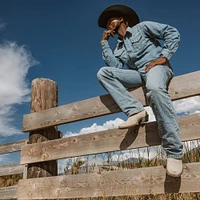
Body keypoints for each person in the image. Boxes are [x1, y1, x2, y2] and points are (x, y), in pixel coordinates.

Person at [97, 4, 183, 177]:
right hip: (138, 74)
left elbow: (172, 32)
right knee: (103, 73)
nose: (107, 24)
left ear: (121, 19)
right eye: (106, 23)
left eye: (110, 20)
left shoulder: (142, 28)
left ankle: (174, 152)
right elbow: (116, 67)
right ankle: (136, 111)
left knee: (154, 88)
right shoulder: (118, 48)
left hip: (157, 68)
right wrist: (104, 44)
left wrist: (162, 57)